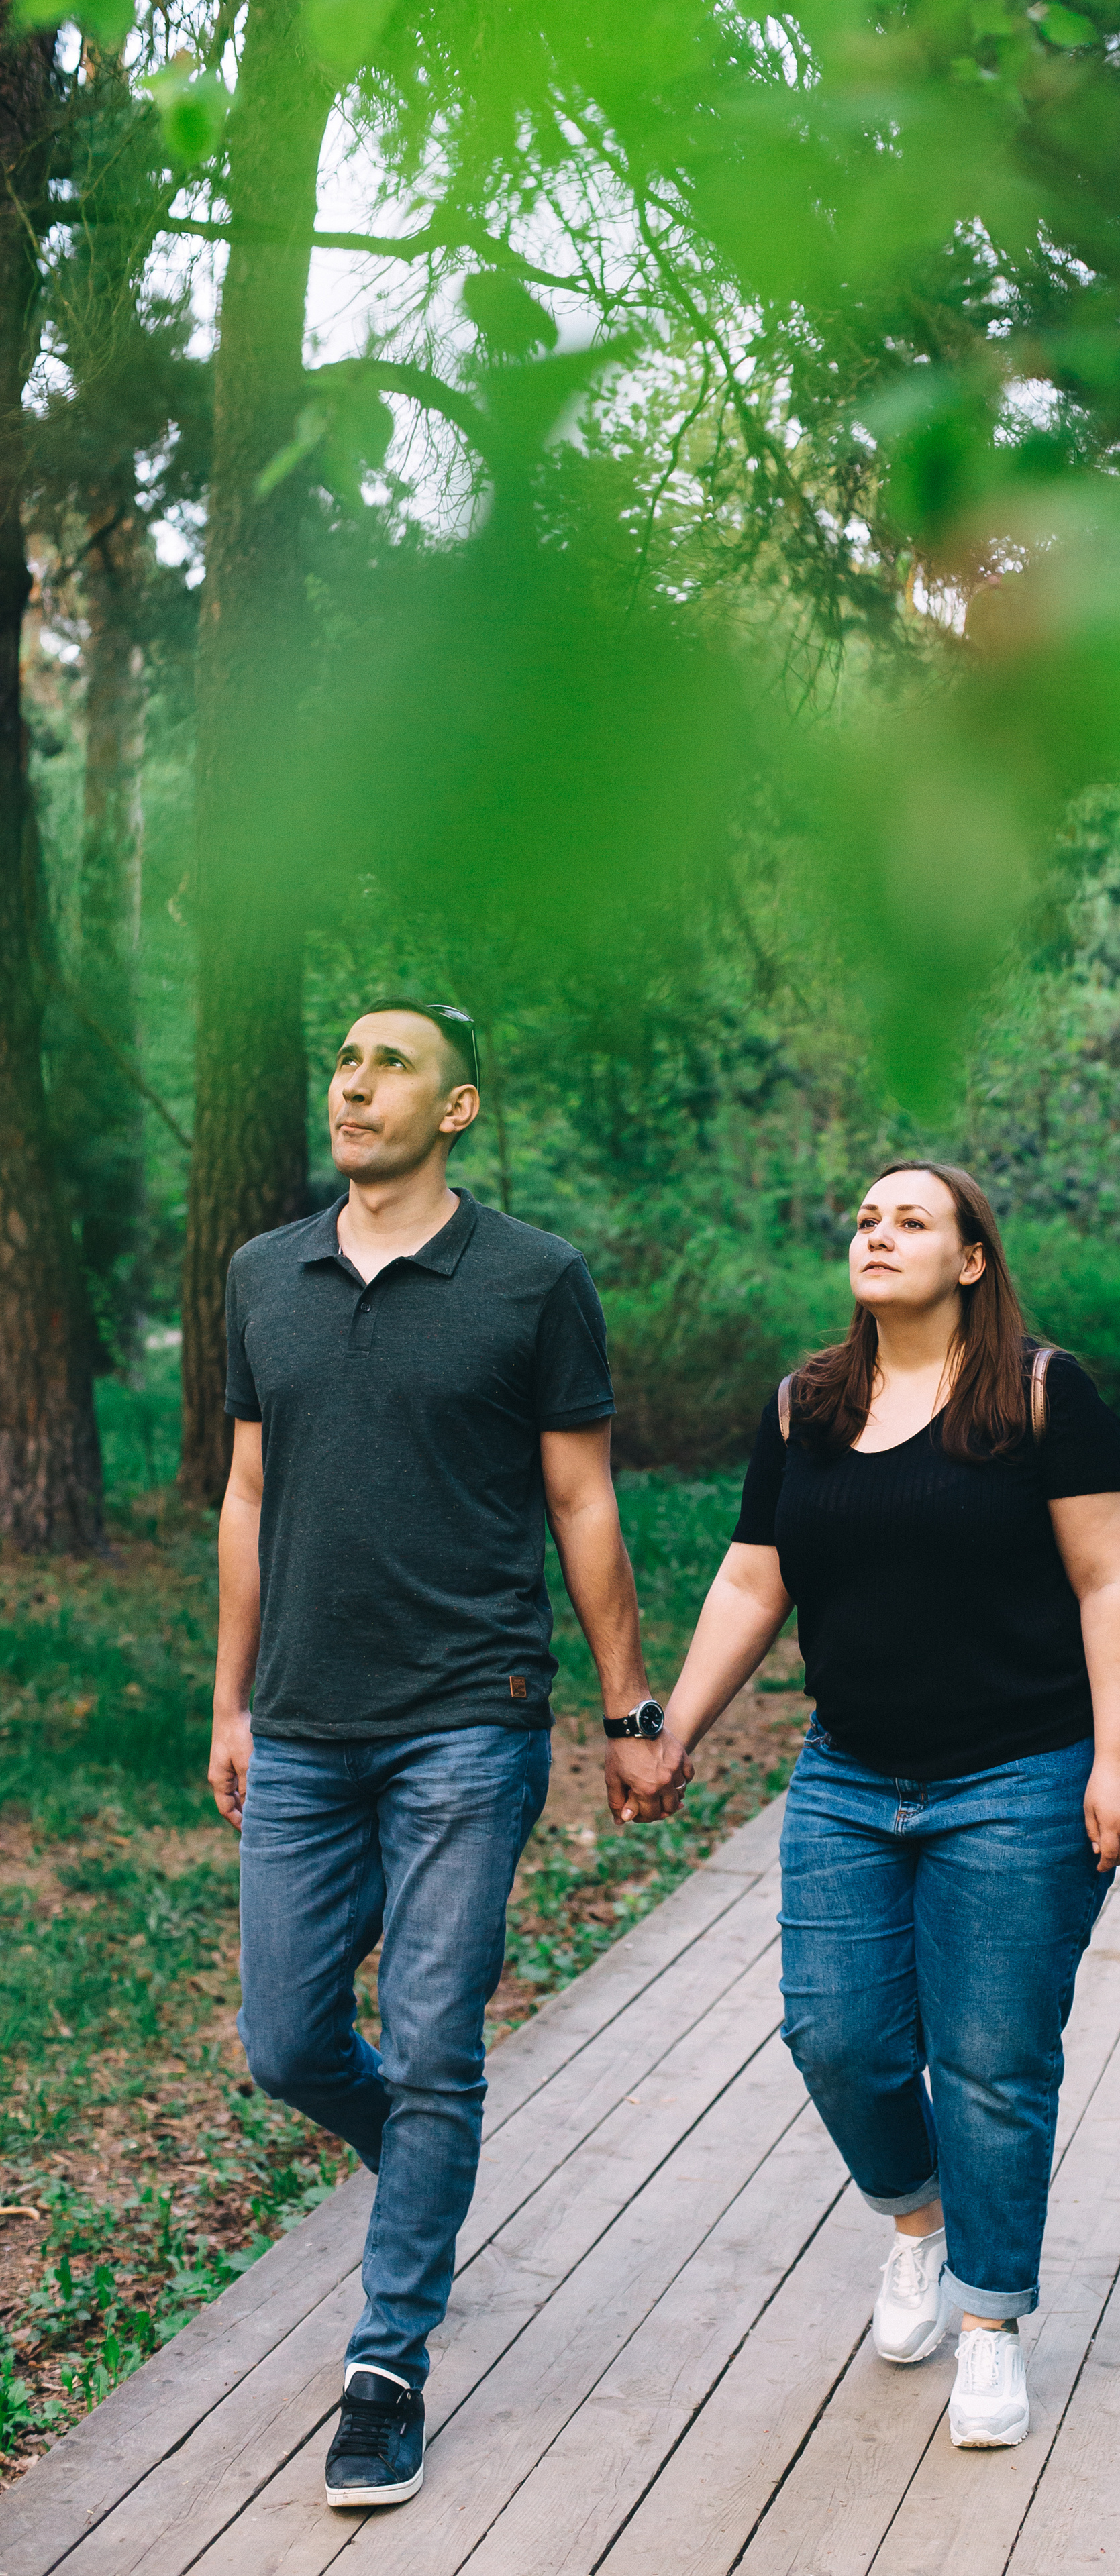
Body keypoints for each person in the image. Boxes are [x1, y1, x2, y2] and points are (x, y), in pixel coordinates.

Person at [607, 1161, 1120, 2450]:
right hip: (849, 1776)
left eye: (912, 1219)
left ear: (971, 1259)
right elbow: (754, 1580)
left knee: (991, 2059)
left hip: (1019, 1776)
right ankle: (918, 2220)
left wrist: (1116, 1758)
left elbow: (1109, 1579)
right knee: (834, 2036)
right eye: (864, 1217)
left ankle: (989, 2322)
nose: (879, 1232)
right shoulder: (807, 1404)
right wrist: (669, 1728)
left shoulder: (1039, 1394)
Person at [209, 998, 666, 2512]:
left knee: (436, 2039)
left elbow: (584, 1502)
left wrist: (626, 1706)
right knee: (285, 2041)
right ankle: (419, 2170)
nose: (352, 1083)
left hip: (469, 1717)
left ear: (457, 1110)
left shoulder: (533, 1279)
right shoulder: (261, 1273)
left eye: (389, 1062)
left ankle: (386, 2360)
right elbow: (248, 1493)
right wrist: (230, 1703)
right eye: (341, 1060)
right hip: (302, 1723)